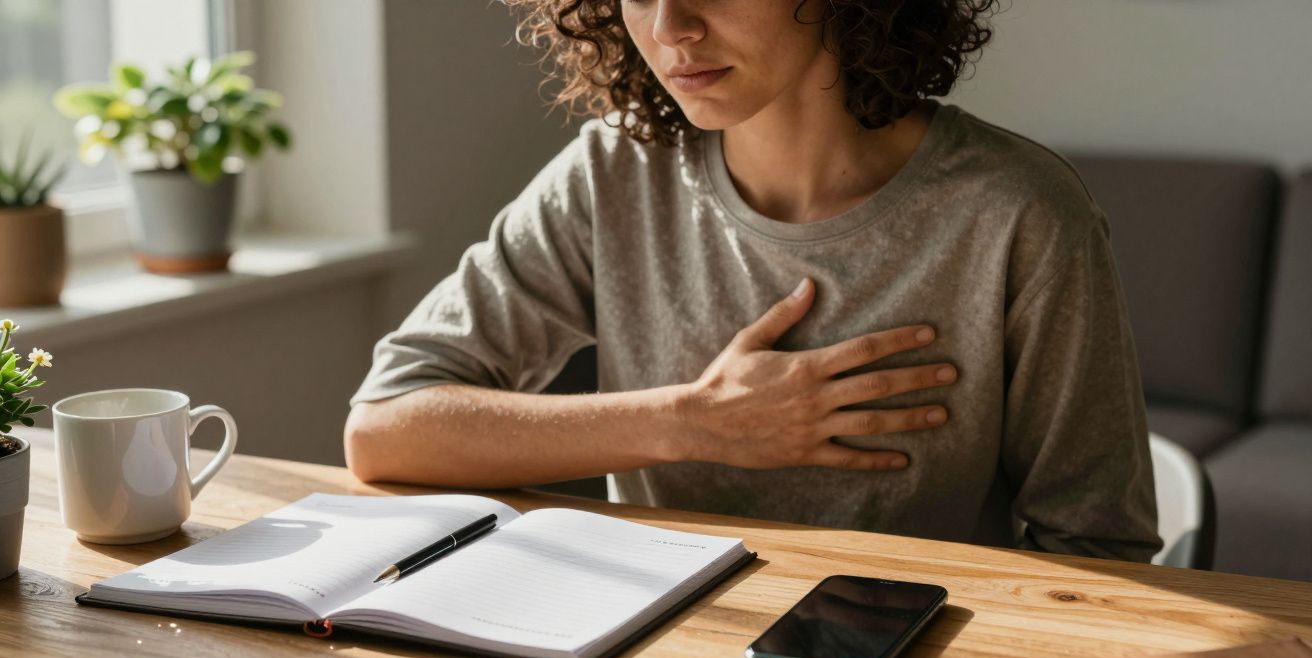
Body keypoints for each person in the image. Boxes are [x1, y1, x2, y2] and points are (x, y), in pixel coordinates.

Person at [345, 0, 1162, 562]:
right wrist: (692, 422)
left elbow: (1099, 545)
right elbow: (385, 429)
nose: (669, 28)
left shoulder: (1021, 215)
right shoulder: (612, 174)